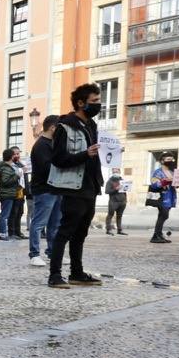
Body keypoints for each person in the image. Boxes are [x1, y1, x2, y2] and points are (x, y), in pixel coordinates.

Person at [46, 83, 104, 289]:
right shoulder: (65, 126)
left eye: (99, 100)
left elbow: (94, 154)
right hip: (73, 186)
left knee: (81, 232)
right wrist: (84, 154)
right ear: (81, 103)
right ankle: (54, 275)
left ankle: (77, 273)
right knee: (65, 231)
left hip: (91, 185)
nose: (99, 104)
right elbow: (58, 159)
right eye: (94, 101)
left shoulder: (92, 125)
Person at [27, 114, 64, 268]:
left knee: (55, 224)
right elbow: (46, 167)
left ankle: (52, 253)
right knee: (39, 223)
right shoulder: (41, 145)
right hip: (44, 189)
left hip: (56, 189)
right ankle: (34, 254)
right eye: (60, 129)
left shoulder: (53, 143)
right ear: (53, 128)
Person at [149, 154, 178, 243]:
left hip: (171, 196)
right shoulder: (158, 172)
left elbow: (175, 185)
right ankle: (156, 236)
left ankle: (158, 235)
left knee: (163, 215)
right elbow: (154, 185)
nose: (170, 160)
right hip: (162, 196)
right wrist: (165, 181)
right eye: (168, 159)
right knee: (164, 215)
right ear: (162, 161)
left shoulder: (172, 172)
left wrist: (178, 183)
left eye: (172, 159)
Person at [0, 149, 21, 241]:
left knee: (6, 214)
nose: (16, 156)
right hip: (7, 194)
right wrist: (17, 176)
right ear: (11, 156)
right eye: (14, 155)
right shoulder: (6, 168)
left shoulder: (6, 166)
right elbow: (5, 181)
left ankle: (4, 233)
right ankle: (3, 234)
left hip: (7, 193)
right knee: (5, 214)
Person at [8, 148, 29, 239]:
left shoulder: (20, 164)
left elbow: (25, 178)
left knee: (20, 213)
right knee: (13, 213)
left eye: (18, 154)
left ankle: (18, 232)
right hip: (14, 192)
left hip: (21, 192)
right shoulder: (9, 165)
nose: (17, 155)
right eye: (15, 154)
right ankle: (12, 233)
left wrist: (26, 191)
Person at [103, 171, 128, 235]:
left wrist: (125, 200)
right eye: (115, 172)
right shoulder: (110, 181)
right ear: (113, 172)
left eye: (117, 171)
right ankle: (108, 230)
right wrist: (116, 189)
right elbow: (107, 191)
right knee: (110, 215)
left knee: (119, 216)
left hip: (122, 201)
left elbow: (125, 191)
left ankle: (119, 230)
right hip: (113, 202)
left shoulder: (122, 180)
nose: (116, 173)